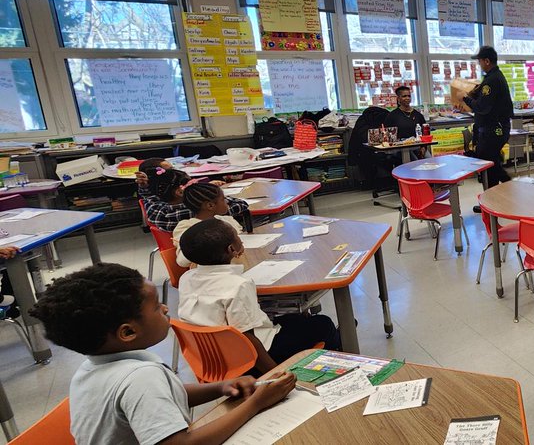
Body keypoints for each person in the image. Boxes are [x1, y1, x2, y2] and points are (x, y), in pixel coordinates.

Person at [28, 263, 296, 444]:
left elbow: (165, 394)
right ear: (128, 332)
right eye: (157, 307)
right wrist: (256, 404)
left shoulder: (92, 368)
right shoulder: (140, 378)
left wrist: (221, 387)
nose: (166, 309)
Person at [178, 219, 341, 374]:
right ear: (232, 249)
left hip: (213, 359)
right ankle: (340, 353)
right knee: (323, 323)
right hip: (251, 362)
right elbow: (248, 339)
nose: (241, 240)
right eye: (238, 237)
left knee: (296, 319)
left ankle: (337, 337)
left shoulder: (186, 278)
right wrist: (274, 374)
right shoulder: (238, 285)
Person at [464, 45, 513, 196]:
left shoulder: (492, 80)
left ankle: (508, 188)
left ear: (486, 61)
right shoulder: (493, 77)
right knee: (491, 165)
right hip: (492, 129)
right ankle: (494, 198)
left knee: (489, 164)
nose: (479, 65)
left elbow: (482, 107)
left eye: (479, 61)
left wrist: (465, 99)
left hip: (494, 130)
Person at [144, 169, 250, 232]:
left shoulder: (155, 210)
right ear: (179, 192)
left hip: (177, 252)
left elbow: (149, 197)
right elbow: (241, 204)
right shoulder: (198, 211)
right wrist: (211, 192)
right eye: (192, 185)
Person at [172, 181, 245, 267]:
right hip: (213, 275)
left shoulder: (226, 220)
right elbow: (182, 261)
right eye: (223, 199)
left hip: (239, 264)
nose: (227, 202)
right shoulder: (187, 226)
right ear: (210, 205)